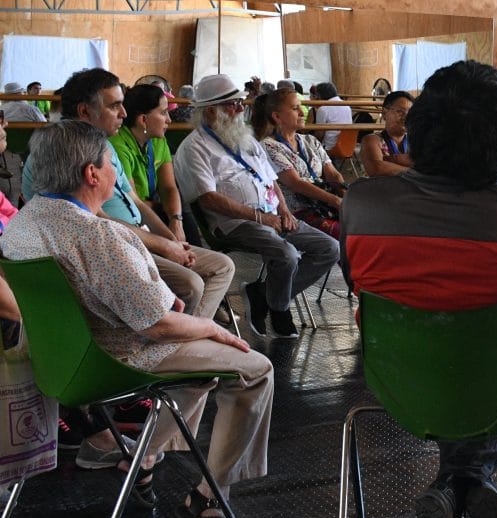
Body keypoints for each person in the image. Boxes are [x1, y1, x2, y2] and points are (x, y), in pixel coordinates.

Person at [1, 119, 273, 518]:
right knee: (255, 369)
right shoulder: (97, 233)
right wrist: (212, 327)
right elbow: (160, 325)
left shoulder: (23, 223)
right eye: (111, 163)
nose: (115, 171)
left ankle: (142, 460)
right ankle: (209, 495)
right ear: (92, 174)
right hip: (116, 359)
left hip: (56, 363)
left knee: (201, 373)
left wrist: (173, 316)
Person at [342, 60, 497, 518]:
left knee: (450, 358)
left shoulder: (362, 204)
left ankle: (456, 486)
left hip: (399, 379)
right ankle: (469, 482)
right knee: (491, 357)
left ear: (418, 131)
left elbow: (355, 283)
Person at [23, 69, 234, 323]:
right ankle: (184, 338)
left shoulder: (102, 145)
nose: (124, 113)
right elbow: (96, 224)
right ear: (84, 111)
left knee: (222, 266)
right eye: (115, 106)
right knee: (191, 285)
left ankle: (189, 334)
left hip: (135, 237)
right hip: (107, 251)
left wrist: (171, 240)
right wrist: (164, 246)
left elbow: (134, 199)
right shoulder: (66, 152)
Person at [173, 74, 339, 339]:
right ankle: (280, 309)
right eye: (233, 104)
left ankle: (262, 294)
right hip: (234, 224)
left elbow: (272, 181)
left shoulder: (245, 138)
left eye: (240, 102)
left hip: (272, 214)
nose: (241, 109)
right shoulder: (194, 148)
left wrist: (283, 210)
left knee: (329, 248)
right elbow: (209, 199)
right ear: (210, 111)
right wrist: (260, 218)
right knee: (286, 254)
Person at [252, 88, 346, 238]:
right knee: (344, 235)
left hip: (325, 205)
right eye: (295, 108)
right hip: (299, 210)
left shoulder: (311, 141)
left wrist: (345, 196)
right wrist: (335, 200)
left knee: (363, 228)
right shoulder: (268, 146)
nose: (302, 113)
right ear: (277, 116)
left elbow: (333, 174)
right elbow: (296, 184)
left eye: (301, 107)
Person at [111, 84, 188, 240]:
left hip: (154, 206)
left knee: (180, 211)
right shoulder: (118, 146)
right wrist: (162, 209)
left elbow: (168, 187)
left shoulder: (158, 141)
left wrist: (176, 220)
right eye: (164, 113)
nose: (169, 120)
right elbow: (132, 201)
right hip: (134, 216)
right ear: (144, 120)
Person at [360, 90, 414, 177]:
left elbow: (429, 167)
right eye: (400, 111)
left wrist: (391, 163)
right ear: (385, 113)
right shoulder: (372, 140)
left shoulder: (416, 142)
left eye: (410, 113)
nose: (406, 117)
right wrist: (414, 170)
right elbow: (376, 169)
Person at [312, 81, 352, 152]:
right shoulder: (347, 106)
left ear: (320, 95)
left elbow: (319, 134)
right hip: (348, 145)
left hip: (329, 148)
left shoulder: (323, 109)